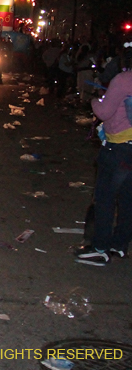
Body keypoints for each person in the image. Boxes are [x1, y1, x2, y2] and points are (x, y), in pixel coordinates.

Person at [75, 49, 132, 266]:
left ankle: (100, 248)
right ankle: (119, 245)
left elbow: (105, 112)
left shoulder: (123, 80)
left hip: (119, 148)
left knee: (105, 199)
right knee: (128, 201)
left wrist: (94, 102)